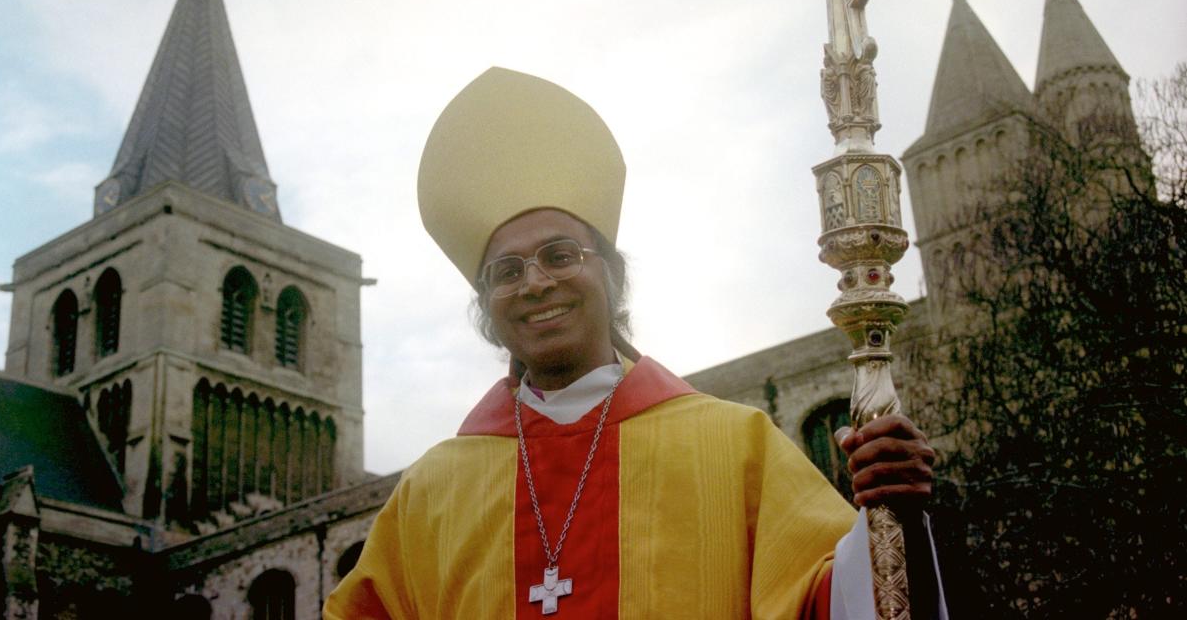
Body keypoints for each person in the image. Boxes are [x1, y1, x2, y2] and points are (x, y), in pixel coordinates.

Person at [326, 68, 941, 619]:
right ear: (487, 306)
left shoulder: (735, 447)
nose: (535, 283)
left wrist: (894, 518)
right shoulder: (431, 490)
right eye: (506, 272)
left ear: (611, 274)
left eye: (559, 255)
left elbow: (830, 604)